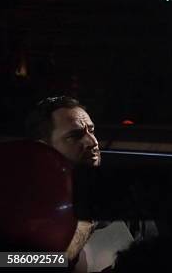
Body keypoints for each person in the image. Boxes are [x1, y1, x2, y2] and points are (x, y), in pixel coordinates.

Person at [25, 96, 101, 265]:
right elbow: (13, 261)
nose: (93, 142)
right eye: (75, 136)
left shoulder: (118, 195)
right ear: (42, 148)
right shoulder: (15, 204)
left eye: (92, 131)